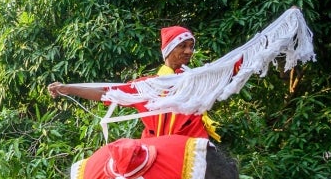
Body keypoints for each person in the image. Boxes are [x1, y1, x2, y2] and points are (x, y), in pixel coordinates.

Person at [47, 25, 220, 141]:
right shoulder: (148, 86)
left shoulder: (197, 79)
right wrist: (68, 89)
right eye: (183, 46)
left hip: (195, 146)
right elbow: (106, 92)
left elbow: (231, 71)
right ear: (169, 50)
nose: (189, 51)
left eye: (191, 46)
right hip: (159, 150)